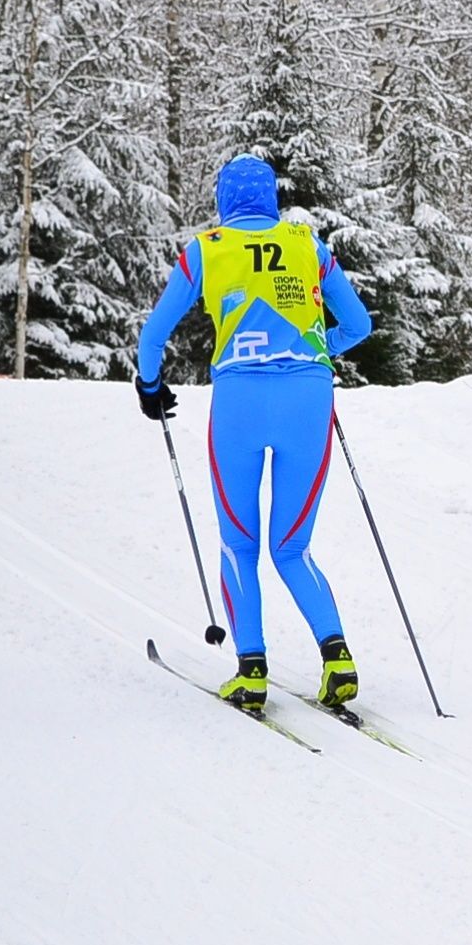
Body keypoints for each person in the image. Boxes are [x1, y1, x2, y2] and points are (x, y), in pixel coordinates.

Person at [133, 154, 374, 708]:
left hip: (240, 399)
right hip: (308, 400)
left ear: (223, 199)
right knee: (292, 547)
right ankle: (337, 659)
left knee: (238, 541)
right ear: (271, 198)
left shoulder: (205, 248)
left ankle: (252, 670)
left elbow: (152, 337)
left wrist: (151, 389)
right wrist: (317, 353)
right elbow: (358, 325)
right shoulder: (307, 243)